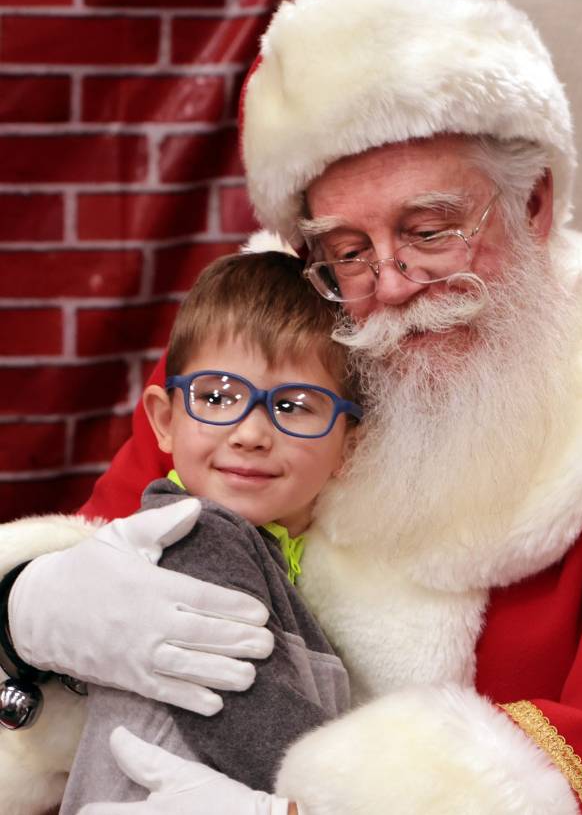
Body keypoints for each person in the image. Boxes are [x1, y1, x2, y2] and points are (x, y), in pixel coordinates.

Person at [2, 0, 582, 815]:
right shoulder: (257, 353)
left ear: (533, 204)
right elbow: (103, 545)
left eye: (430, 230)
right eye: (348, 249)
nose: (394, 282)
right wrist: (23, 610)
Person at [56, 250, 358, 814]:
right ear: (165, 420)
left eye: (294, 406)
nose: (250, 433)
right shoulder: (192, 533)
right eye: (217, 397)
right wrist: (353, 798)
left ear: (350, 446)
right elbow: (240, 704)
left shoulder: (275, 544)